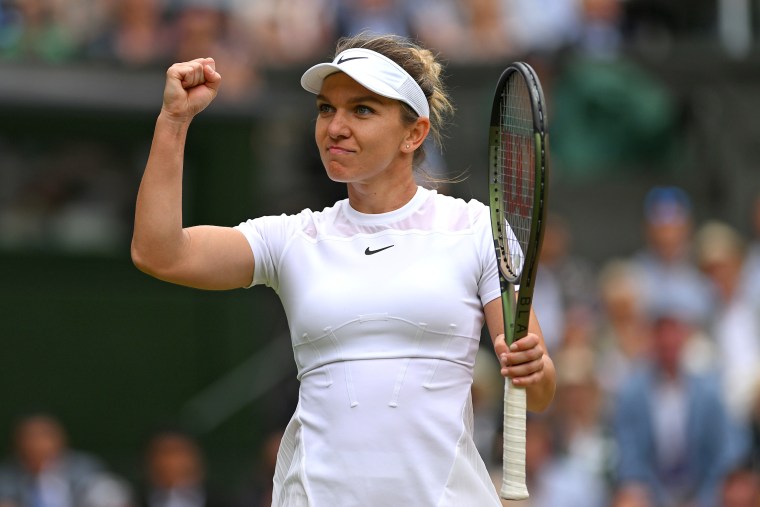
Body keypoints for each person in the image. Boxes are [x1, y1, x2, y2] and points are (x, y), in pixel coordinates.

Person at [130, 32, 556, 506]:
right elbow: (159, 253)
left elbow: (536, 392)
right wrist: (174, 120)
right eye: (326, 109)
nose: (335, 126)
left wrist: (533, 367)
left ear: (413, 133)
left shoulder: (477, 229)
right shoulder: (292, 238)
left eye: (362, 110)